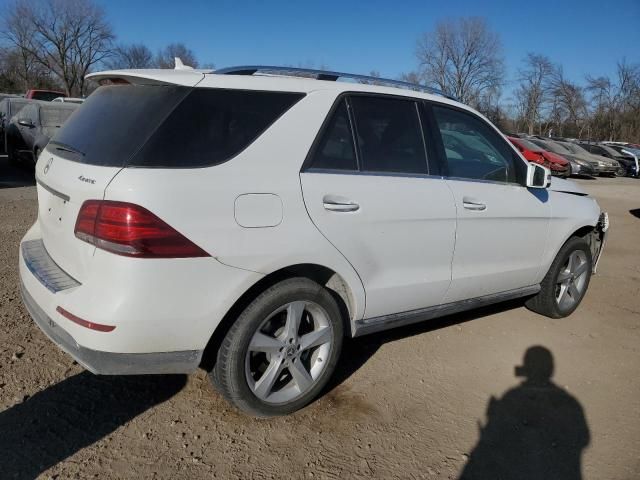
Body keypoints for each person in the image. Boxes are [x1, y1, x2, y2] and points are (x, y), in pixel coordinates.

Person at [459, 346, 590, 480]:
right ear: (550, 370)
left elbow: (495, 438)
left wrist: (493, 416)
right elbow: (584, 438)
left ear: (527, 368)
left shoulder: (513, 397)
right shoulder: (569, 402)